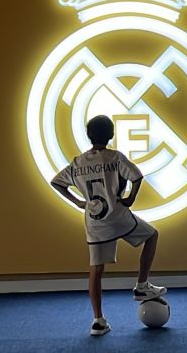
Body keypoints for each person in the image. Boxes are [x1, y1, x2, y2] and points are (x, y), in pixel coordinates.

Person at [51, 115, 166, 336]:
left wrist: (79, 202)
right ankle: (142, 285)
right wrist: (131, 198)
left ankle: (98, 320)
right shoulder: (115, 157)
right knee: (152, 235)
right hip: (117, 215)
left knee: (96, 269)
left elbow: (57, 182)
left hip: (95, 220)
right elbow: (137, 176)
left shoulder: (78, 162)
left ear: (88, 136)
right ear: (111, 135)